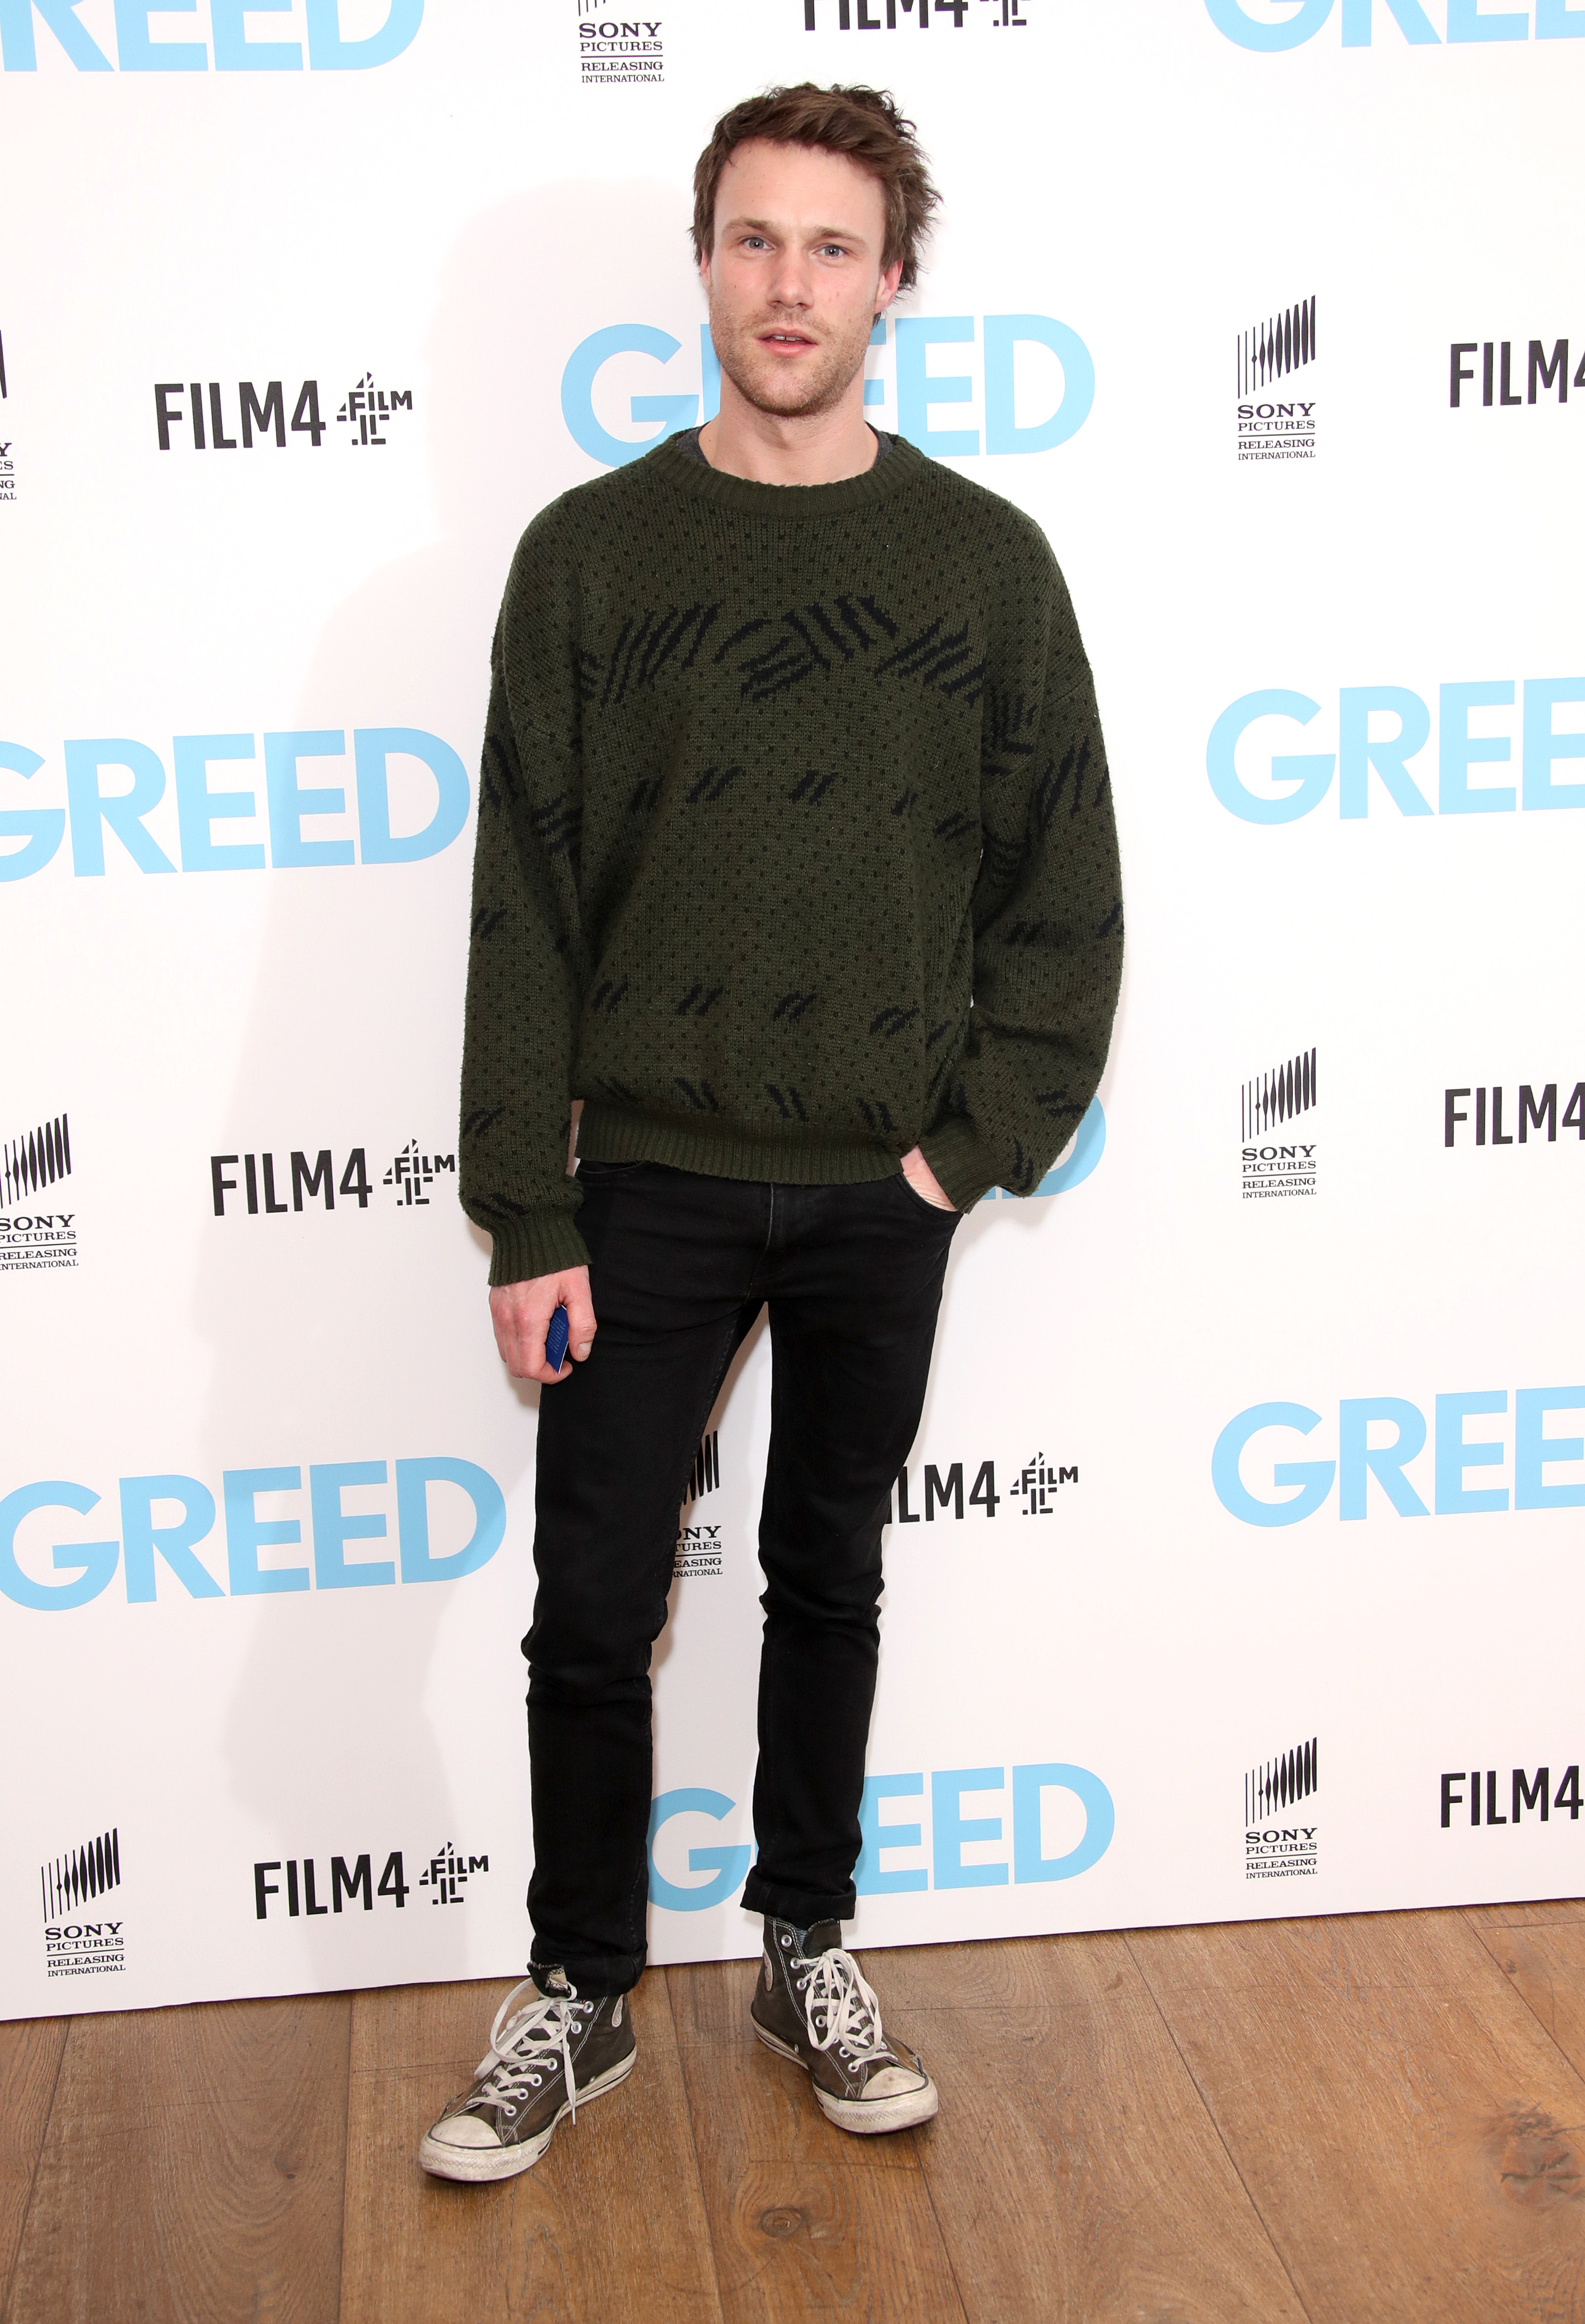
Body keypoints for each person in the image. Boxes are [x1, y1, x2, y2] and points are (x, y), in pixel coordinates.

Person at [420, 81, 1123, 2182]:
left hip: (874, 1192)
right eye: (752, 238)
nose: (787, 282)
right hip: (631, 1181)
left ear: (893, 279)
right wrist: (521, 1207)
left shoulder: (985, 568)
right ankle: (579, 1987)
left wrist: (956, 1150)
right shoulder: (589, 556)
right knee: (587, 1598)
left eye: (831, 245)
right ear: (702, 262)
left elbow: (1064, 897)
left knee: (827, 1573)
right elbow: (521, 906)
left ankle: (805, 1940)